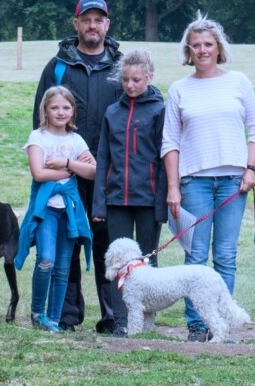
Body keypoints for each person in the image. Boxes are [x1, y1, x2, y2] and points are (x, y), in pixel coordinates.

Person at [161, 13, 255, 343]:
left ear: (219, 47)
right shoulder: (179, 89)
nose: (203, 50)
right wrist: (174, 187)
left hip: (234, 182)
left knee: (225, 255)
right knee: (195, 256)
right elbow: (170, 141)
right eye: (196, 46)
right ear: (188, 51)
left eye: (208, 44)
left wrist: (250, 169)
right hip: (194, 182)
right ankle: (195, 325)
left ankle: (222, 324)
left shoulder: (239, 82)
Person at [32, 0, 123, 332]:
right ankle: (67, 313)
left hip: (106, 171)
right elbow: (40, 120)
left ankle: (113, 314)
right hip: (64, 171)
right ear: (77, 24)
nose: (92, 25)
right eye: (86, 19)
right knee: (66, 236)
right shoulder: (58, 66)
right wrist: (53, 162)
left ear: (107, 25)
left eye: (99, 19)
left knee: (106, 240)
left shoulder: (119, 67)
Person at [92, 49, 167, 338]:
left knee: (148, 263)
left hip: (148, 200)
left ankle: (147, 322)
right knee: (118, 263)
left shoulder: (160, 110)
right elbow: (103, 159)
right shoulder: (112, 113)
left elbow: (164, 160)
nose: (130, 85)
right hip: (116, 200)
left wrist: (161, 206)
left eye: (136, 79)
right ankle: (120, 321)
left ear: (149, 77)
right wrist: (100, 204)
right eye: (125, 80)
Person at [16, 86, 96, 332]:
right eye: (55, 108)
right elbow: (39, 173)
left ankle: (54, 317)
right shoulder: (38, 137)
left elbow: (92, 171)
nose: (60, 112)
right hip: (47, 209)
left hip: (69, 210)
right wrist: (70, 171)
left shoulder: (76, 140)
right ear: (45, 110)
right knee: (46, 260)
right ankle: (38, 312)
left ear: (73, 111)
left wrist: (65, 163)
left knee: (63, 266)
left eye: (66, 107)